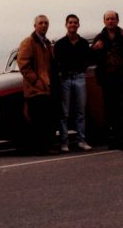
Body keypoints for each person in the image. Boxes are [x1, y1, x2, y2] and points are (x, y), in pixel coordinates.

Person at [91, 10, 123, 150]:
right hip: (107, 81)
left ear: (118, 20)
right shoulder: (99, 39)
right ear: (104, 21)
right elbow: (90, 59)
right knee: (110, 111)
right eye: (108, 19)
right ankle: (114, 140)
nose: (110, 21)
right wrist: (95, 49)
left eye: (113, 19)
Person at [17, 14, 57, 154]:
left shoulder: (47, 43)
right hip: (36, 89)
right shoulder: (28, 42)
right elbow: (23, 65)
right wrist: (36, 82)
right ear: (35, 26)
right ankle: (41, 148)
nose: (44, 25)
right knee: (39, 119)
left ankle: (46, 146)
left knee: (47, 118)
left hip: (48, 87)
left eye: (46, 23)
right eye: (40, 23)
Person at [54, 14, 92, 153]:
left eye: (75, 23)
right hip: (65, 79)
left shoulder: (83, 43)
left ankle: (81, 141)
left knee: (81, 111)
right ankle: (64, 143)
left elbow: (88, 59)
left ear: (78, 25)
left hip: (80, 77)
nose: (73, 25)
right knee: (64, 113)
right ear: (66, 25)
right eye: (70, 22)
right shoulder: (60, 44)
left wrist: (82, 69)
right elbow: (56, 62)